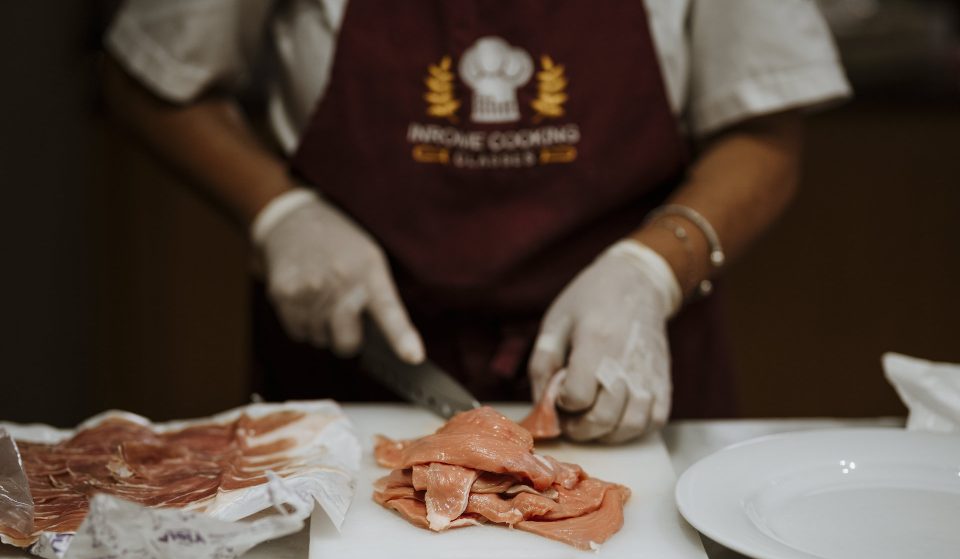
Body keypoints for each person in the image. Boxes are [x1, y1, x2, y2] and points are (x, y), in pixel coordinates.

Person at [102, 0, 850, 443]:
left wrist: (653, 270)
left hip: (627, 367)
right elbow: (146, 78)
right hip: (348, 361)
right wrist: (279, 211)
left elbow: (767, 129)